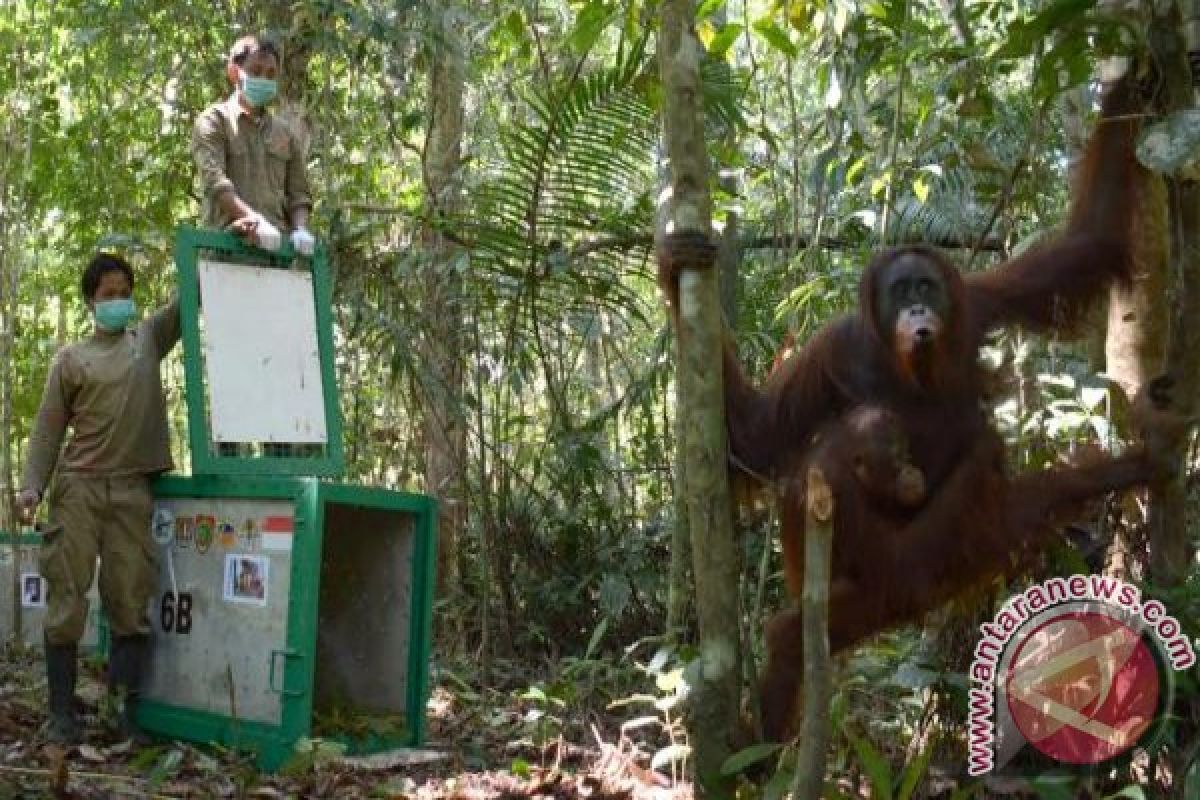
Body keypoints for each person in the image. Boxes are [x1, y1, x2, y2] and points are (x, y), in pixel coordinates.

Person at [17, 253, 181, 745]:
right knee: (67, 597)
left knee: (130, 599)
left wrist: (226, 229)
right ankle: (62, 716)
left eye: (124, 292)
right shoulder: (72, 358)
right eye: (107, 294)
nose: (117, 301)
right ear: (91, 301)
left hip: (132, 488)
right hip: (78, 490)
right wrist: (32, 487)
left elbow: (191, 297)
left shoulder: (148, 339)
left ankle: (121, 717)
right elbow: (48, 428)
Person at [191, 34, 315, 255]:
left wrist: (301, 228)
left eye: (270, 74)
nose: (263, 79)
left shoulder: (285, 133)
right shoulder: (214, 121)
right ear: (234, 72)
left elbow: (299, 194)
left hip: (277, 254)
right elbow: (215, 181)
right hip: (226, 250)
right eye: (255, 71)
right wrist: (254, 220)